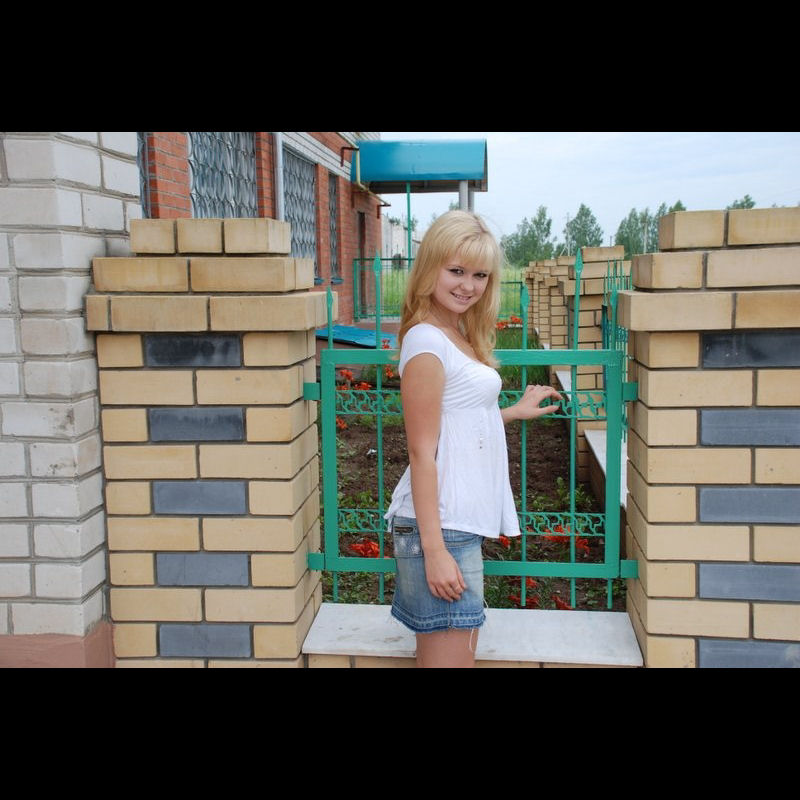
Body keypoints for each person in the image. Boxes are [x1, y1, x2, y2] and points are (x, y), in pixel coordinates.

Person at [384, 210, 562, 668]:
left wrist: (512, 411)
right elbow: (422, 451)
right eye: (456, 271)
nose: (468, 285)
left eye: (480, 275)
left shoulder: (455, 332)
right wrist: (435, 551)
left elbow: (455, 424)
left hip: (452, 523)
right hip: (441, 528)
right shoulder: (427, 341)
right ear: (430, 268)